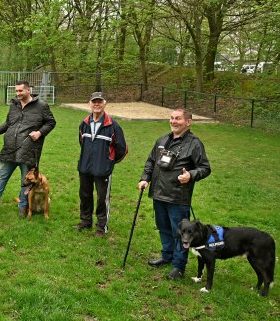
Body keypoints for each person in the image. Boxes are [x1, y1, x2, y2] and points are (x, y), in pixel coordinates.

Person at [138, 108, 211, 280]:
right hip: (158, 193)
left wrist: (190, 176)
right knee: (163, 227)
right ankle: (167, 255)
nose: (173, 121)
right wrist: (144, 178)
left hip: (178, 197)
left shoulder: (194, 144)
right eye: (171, 118)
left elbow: (205, 168)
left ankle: (179, 266)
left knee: (180, 233)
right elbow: (151, 161)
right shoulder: (162, 140)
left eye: (178, 118)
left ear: (188, 122)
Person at [0, 80, 56, 217]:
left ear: (28, 91)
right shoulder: (14, 105)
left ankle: (23, 207)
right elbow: (9, 123)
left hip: (29, 150)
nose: (18, 93)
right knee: (1, 176)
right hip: (10, 148)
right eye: (16, 91)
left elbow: (51, 122)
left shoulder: (41, 106)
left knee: (25, 181)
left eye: (20, 91)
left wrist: (39, 133)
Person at [75, 92, 128, 236]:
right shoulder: (84, 124)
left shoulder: (113, 126)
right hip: (85, 167)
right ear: (89, 104)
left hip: (102, 170)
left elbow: (122, 149)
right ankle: (85, 221)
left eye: (100, 101)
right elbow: (82, 143)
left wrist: (108, 162)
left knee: (101, 199)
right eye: (94, 101)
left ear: (105, 103)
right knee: (85, 195)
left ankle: (101, 227)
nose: (97, 104)